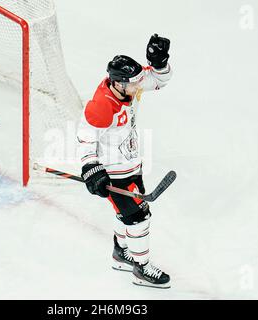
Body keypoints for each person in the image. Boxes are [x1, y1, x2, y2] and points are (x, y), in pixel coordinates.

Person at [76, 34, 173, 288]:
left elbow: (159, 80)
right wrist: (91, 167)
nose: (138, 88)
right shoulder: (102, 105)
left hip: (132, 165)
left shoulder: (130, 85)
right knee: (139, 218)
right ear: (118, 84)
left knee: (125, 215)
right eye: (133, 85)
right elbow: (86, 137)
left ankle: (121, 253)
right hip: (114, 173)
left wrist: (160, 62)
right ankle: (141, 269)